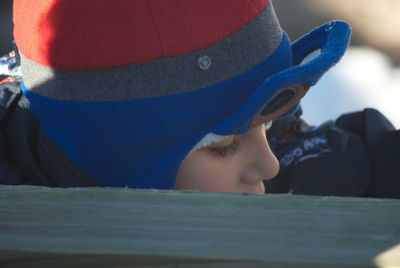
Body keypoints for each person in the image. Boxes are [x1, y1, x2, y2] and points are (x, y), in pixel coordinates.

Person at [0, 0, 352, 194]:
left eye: (269, 123)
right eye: (222, 145)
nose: (270, 164)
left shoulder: (260, 170)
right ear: (121, 162)